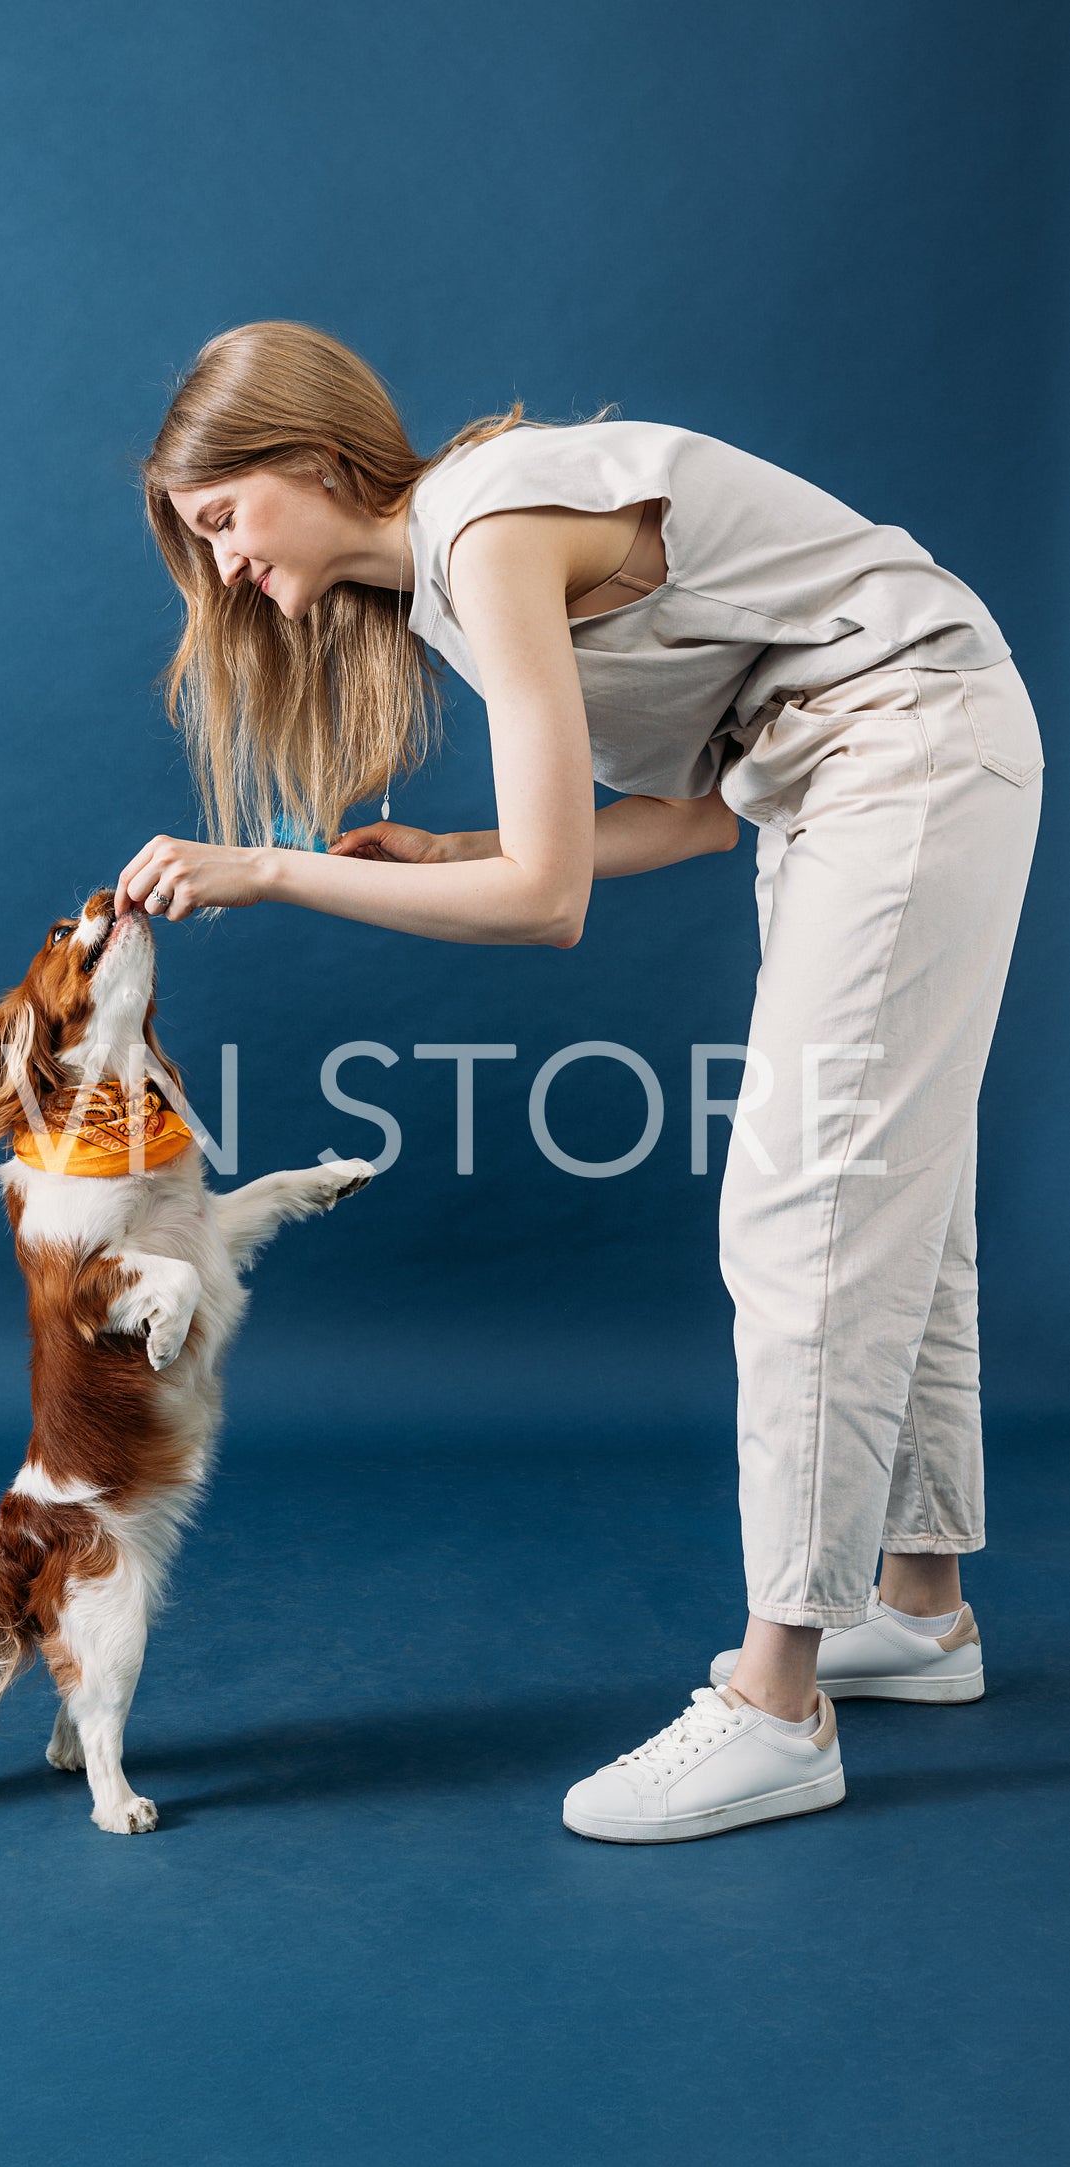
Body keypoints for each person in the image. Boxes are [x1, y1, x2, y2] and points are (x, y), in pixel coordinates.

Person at [116, 320, 1043, 1844]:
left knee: (804, 1205)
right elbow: (686, 821)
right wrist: (447, 852)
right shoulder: (450, 589)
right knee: (899, 1194)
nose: (219, 571)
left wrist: (272, 874)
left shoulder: (482, 524)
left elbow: (551, 906)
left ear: (315, 457)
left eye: (219, 521)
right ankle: (922, 1613)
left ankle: (776, 1707)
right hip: (832, 772)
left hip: (907, 740)